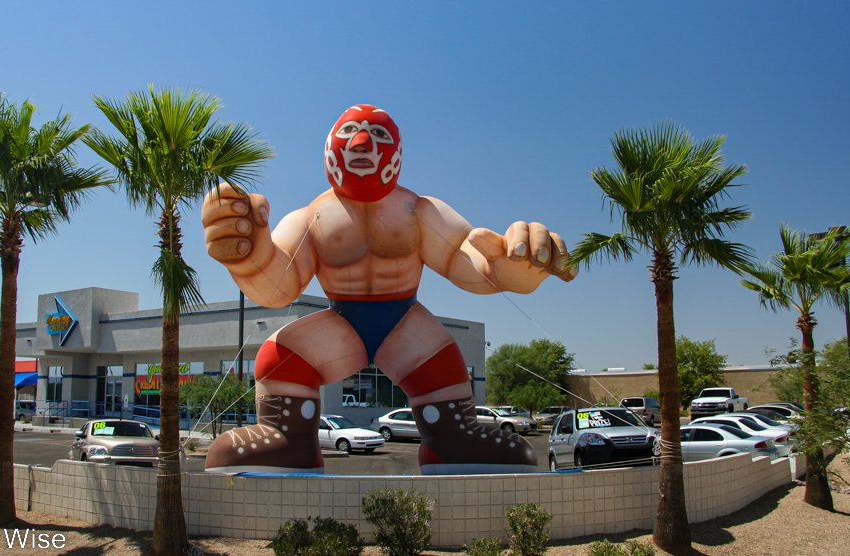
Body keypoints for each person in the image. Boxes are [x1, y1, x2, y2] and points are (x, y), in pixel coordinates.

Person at [202, 104, 575, 474]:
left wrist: (507, 270)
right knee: (278, 355)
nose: (363, 143)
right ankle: (289, 438)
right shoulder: (309, 218)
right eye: (350, 132)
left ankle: (453, 438)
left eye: (378, 134)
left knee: (443, 364)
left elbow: (467, 259)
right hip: (341, 322)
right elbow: (277, 287)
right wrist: (250, 256)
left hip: (405, 321)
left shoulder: (420, 210)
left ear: (396, 151)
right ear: (331, 147)